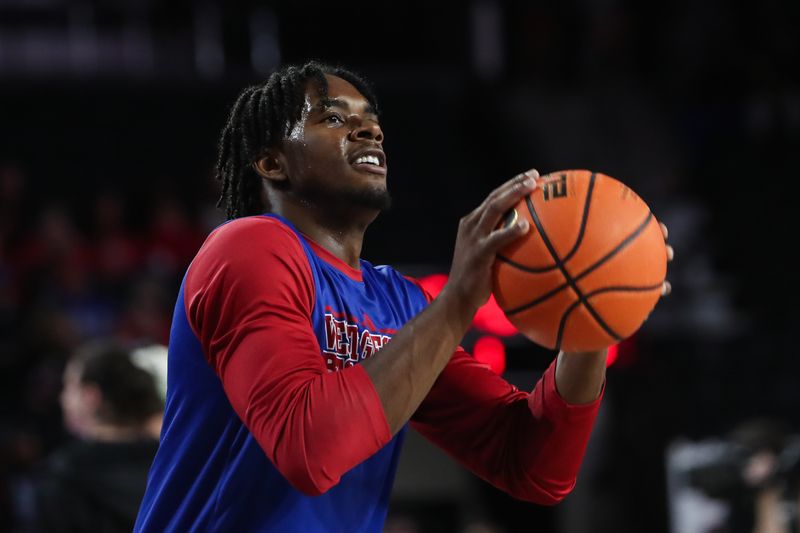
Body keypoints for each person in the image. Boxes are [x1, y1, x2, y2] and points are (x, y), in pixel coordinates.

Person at [135, 61, 672, 532]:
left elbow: (532, 465)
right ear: (273, 163)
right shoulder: (248, 248)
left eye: (371, 119)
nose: (368, 128)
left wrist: (592, 320)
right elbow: (308, 448)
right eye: (333, 118)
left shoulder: (399, 303)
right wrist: (457, 302)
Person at [31, 341, 163, 532]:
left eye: (68, 387)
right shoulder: (168, 462)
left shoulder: (63, 475)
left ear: (90, 396)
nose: (62, 399)